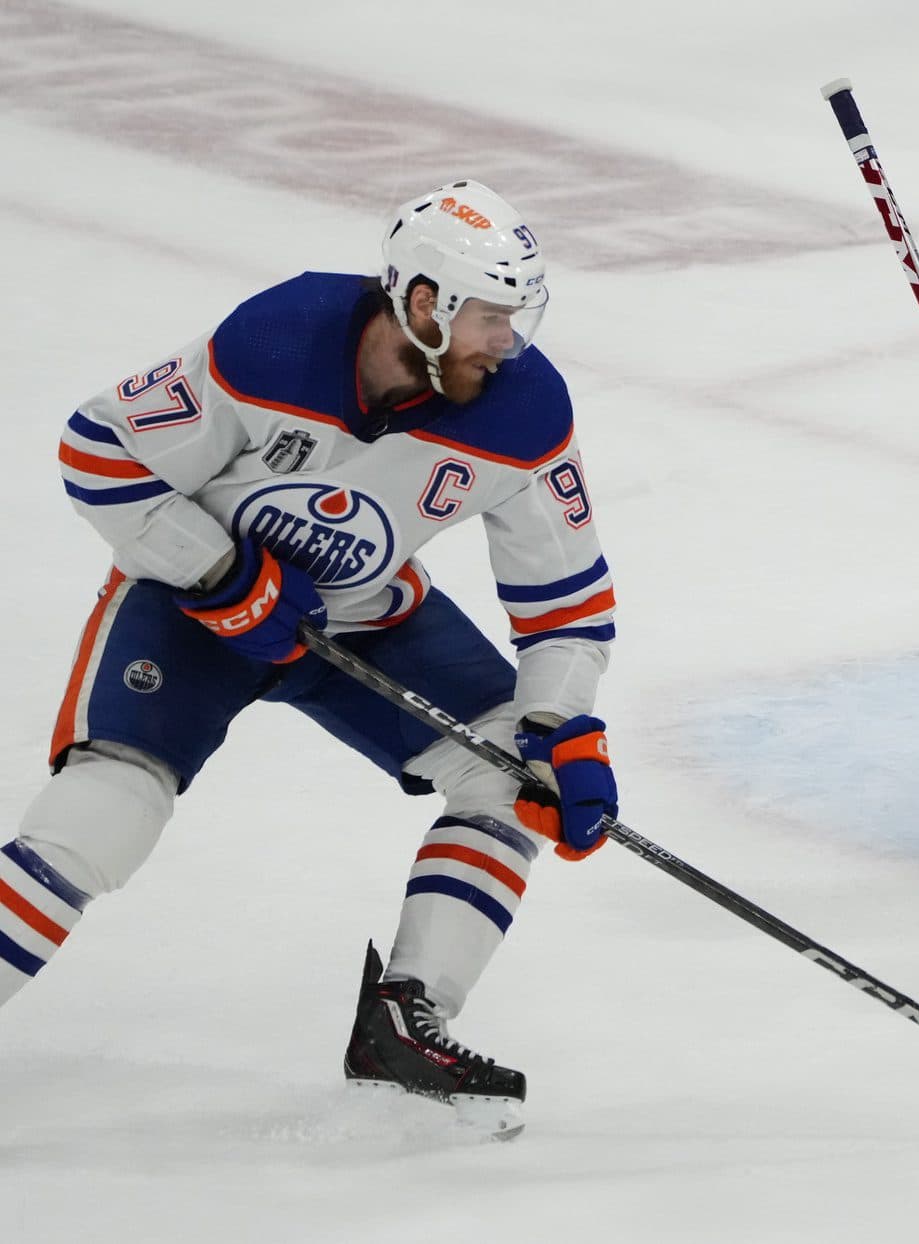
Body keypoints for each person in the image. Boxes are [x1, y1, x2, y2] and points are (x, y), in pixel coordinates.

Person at [0, 179, 618, 1134]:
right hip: (188, 611)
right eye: (492, 318)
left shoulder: (524, 413)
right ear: (423, 306)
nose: (510, 343)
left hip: (362, 618)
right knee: (103, 811)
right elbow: (101, 453)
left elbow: (566, 600)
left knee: (505, 773)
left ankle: (404, 1027)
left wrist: (561, 729)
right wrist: (216, 573)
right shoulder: (276, 339)